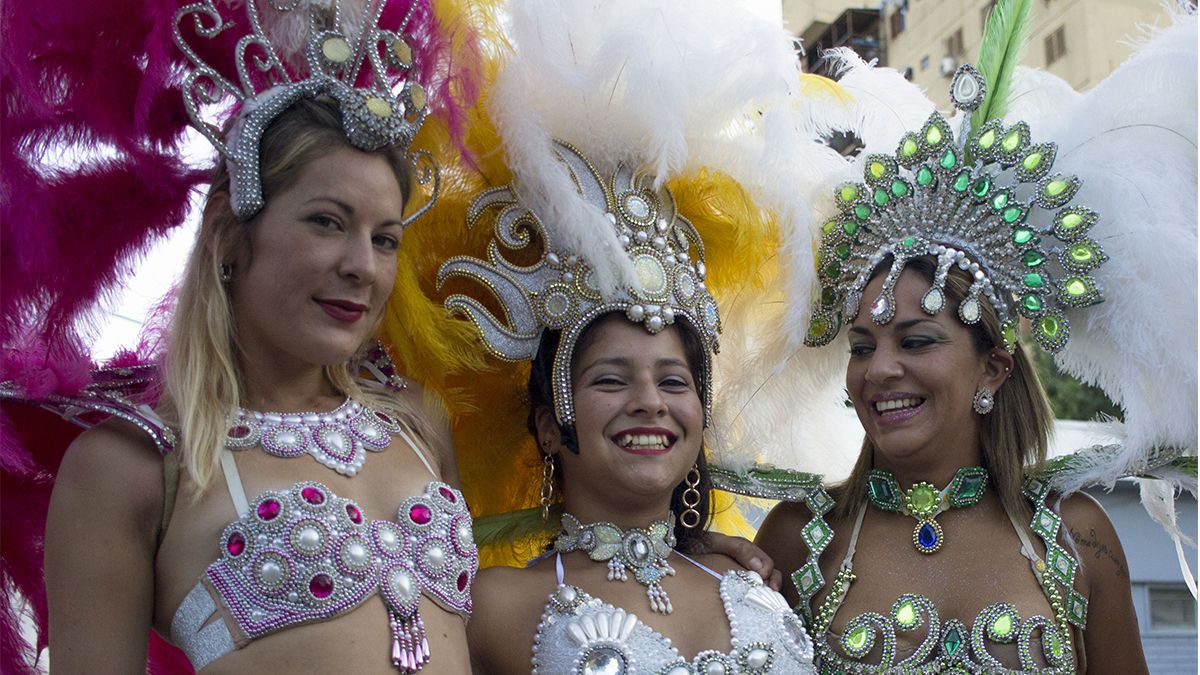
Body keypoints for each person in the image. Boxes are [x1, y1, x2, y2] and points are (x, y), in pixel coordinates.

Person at [10, 0, 487, 671]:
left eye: (385, 239)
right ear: (234, 236)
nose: (362, 267)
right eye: (326, 221)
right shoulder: (131, 464)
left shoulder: (418, 421)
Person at [749, 9, 1197, 668]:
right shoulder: (799, 541)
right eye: (864, 345)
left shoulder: (1077, 539)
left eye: (917, 340)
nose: (880, 370)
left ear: (993, 368)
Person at [427, 2, 820, 671]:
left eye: (674, 379)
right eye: (611, 378)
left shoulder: (757, 589)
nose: (650, 400)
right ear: (549, 423)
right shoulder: (490, 606)